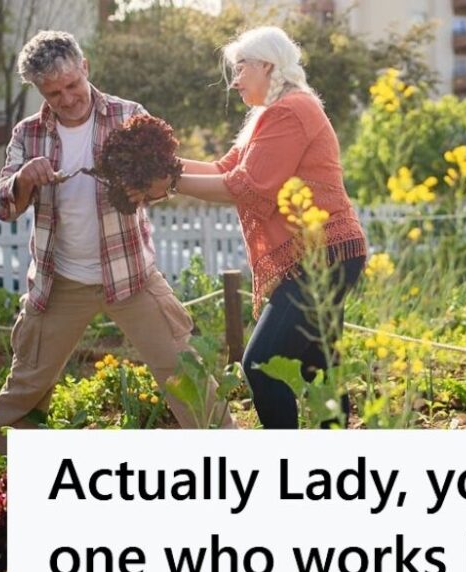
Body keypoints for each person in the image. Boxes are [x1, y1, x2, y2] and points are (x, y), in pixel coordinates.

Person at [0, 30, 234, 457]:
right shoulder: (27, 134)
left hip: (131, 274)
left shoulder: (128, 115)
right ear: (39, 91)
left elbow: (163, 182)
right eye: (53, 93)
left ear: (85, 68)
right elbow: (4, 205)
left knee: (182, 367)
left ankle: (233, 457)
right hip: (60, 279)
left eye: (72, 85)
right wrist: (21, 180)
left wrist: (147, 186)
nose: (67, 99)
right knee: (29, 379)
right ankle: (11, 471)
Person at [138, 26, 367, 429]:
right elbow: (225, 169)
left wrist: (169, 183)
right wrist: (163, 165)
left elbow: (245, 187)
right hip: (327, 253)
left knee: (261, 364)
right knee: (319, 366)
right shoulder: (272, 113)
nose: (235, 80)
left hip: (322, 255)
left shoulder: (290, 110)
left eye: (242, 68)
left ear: (268, 65)